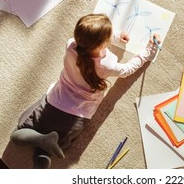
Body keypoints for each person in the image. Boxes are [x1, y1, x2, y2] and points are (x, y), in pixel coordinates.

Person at [10, 13, 161, 169]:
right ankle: (43, 151)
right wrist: (149, 50)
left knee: (17, 135)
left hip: (53, 105)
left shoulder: (71, 46)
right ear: (103, 44)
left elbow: (90, 42)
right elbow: (128, 69)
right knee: (46, 151)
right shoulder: (107, 64)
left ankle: (42, 140)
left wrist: (115, 37)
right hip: (76, 118)